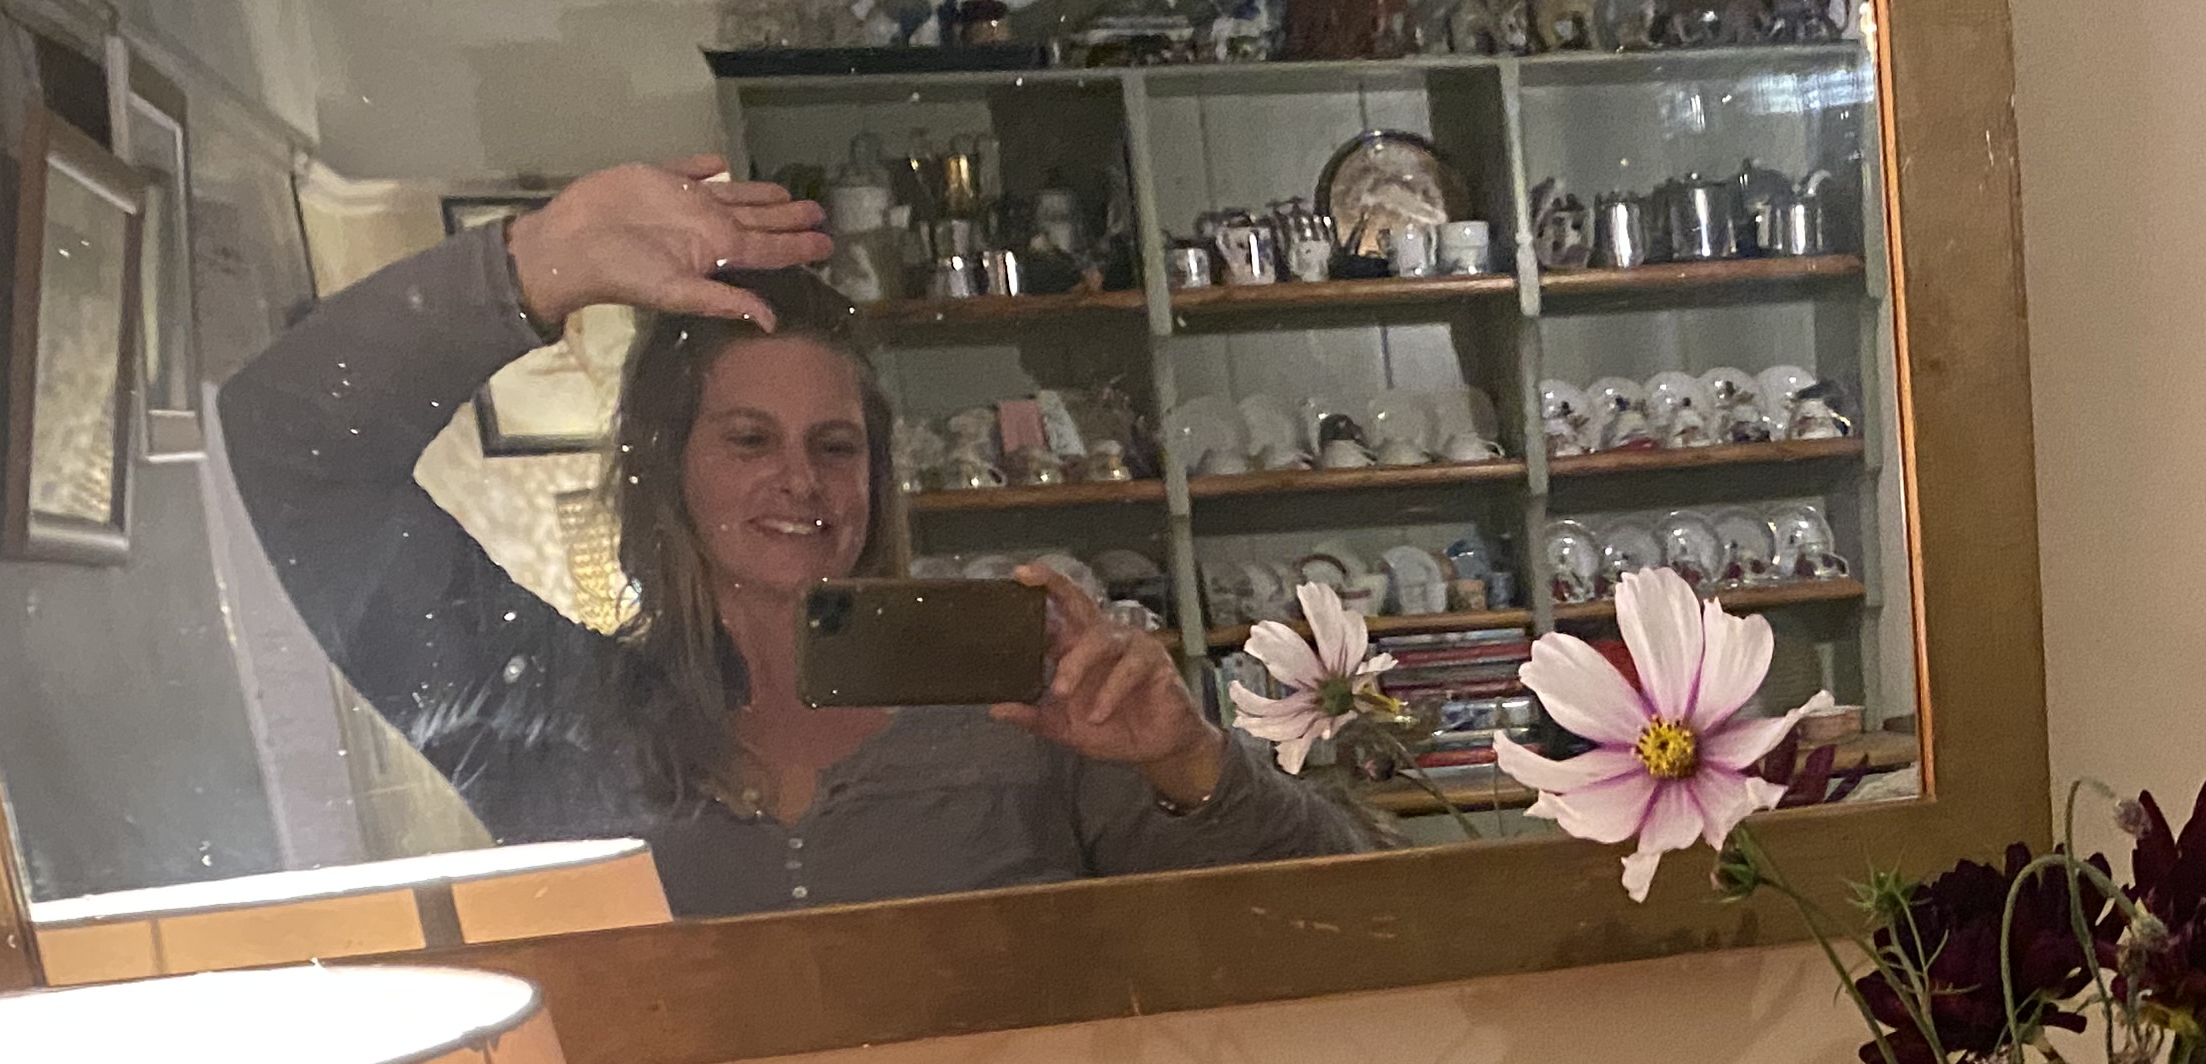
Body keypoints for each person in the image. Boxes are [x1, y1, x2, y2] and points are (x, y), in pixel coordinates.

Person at [217, 157, 1372, 916]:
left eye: (835, 445)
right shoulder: (560, 720)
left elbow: (1341, 918)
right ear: (670, 465)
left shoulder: (1027, 710)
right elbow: (285, 443)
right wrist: (535, 264)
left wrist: (1185, 765)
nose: (799, 481)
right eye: (747, 439)